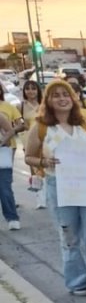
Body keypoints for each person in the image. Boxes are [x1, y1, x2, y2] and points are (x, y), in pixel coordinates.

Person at [23, 79, 86, 296]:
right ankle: (77, 281)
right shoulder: (40, 127)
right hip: (59, 186)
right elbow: (29, 156)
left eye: (65, 95)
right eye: (56, 95)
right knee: (69, 236)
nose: (62, 99)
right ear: (48, 100)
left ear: (72, 98)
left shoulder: (84, 124)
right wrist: (44, 162)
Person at [20, 80, 44, 209]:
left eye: (33, 88)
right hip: (29, 141)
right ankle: (39, 197)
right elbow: (17, 123)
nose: (30, 91)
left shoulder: (44, 105)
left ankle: (48, 194)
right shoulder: (21, 106)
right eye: (27, 89)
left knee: (47, 169)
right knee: (34, 169)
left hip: (45, 140)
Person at [0, 93, 20, 230]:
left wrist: (2, 142)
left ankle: (12, 217)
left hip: (1, 156)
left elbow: (10, 131)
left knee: (5, 189)